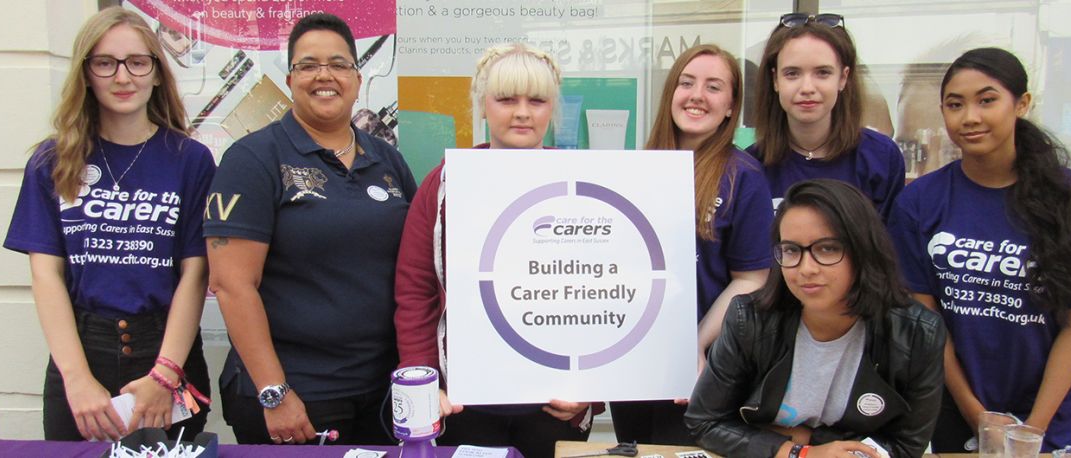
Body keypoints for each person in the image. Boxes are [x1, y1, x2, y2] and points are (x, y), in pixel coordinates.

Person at [887, 47, 1071, 452]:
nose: (970, 117)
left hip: (1045, 414)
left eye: (987, 100)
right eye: (955, 104)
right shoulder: (919, 201)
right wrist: (976, 414)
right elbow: (926, 324)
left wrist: (1031, 429)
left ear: (1022, 104)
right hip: (950, 408)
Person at [203, 13, 417, 445]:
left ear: (357, 78)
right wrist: (273, 392)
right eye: (309, 65)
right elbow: (232, 285)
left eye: (339, 64)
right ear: (289, 78)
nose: (325, 75)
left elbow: (415, 269)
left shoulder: (386, 159)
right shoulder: (253, 159)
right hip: (298, 395)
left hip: (381, 393)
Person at [3, 7, 215, 441]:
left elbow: (196, 273)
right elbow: (46, 277)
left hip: (166, 353)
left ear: (157, 73)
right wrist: (77, 379)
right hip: (82, 354)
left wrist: (165, 375)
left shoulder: (190, 160)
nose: (123, 77)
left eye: (138, 62)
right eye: (105, 63)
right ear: (85, 73)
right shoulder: (52, 161)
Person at [394, 43, 597, 458]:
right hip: (464, 400)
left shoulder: (584, 183)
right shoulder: (443, 185)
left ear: (552, 109)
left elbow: (603, 288)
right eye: (506, 99)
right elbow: (415, 290)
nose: (522, 112)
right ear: (482, 105)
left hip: (555, 403)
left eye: (536, 100)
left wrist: (591, 390)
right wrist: (425, 381)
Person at [686, 179, 945, 458]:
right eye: (791, 250)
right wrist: (800, 452)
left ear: (863, 250)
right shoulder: (749, 318)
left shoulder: (918, 333)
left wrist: (810, 439)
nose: (806, 269)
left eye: (827, 249)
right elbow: (704, 421)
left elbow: (906, 446)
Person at [609, 44, 773, 446]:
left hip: (703, 367)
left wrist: (694, 345)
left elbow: (751, 278)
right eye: (687, 83)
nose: (697, 95)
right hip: (633, 357)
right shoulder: (635, 168)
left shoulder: (744, 177)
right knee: (633, 450)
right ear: (671, 95)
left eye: (714, 87)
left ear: (732, 107)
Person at [746, 13, 905, 220]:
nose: (807, 88)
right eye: (792, 73)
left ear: (843, 78)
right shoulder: (750, 166)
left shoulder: (881, 157)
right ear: (775, 80)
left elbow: (889, 248)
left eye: (822, 73)